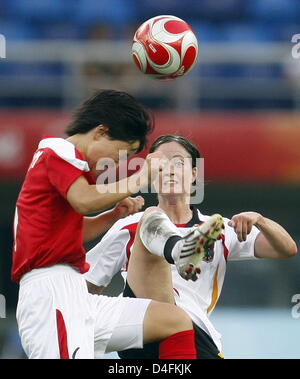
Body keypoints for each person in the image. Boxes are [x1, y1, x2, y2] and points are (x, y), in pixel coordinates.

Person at [12, 91, 202, 359]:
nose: (119, 163)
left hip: (75, 293)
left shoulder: (68, 168)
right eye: (122, 153)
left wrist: (111, 216)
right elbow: (83, 201)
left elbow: (70, 231)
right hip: (50, 292)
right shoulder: (58, 150)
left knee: (173, 321)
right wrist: (140, 178)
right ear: (101, 132)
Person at [85, 134, 298, 359]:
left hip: (195, 335)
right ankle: (179, 250)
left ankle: (181, 250)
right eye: (160, 163)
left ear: (194, 174)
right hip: (142, 330)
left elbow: (286, 248)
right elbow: (86, 288)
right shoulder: (128, 227)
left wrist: (260, 220)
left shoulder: (218, 228)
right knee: (150, 216)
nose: (169, 169)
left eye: (178, 162)